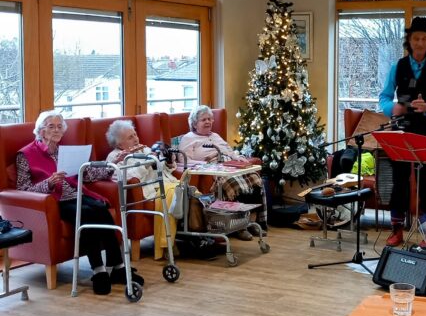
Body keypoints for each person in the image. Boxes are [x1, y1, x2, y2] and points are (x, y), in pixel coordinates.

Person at [16, 110, 143, 295]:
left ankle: (118, 267)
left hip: (77, 194)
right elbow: (22, 189)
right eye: (51, 126)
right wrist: (49, 183)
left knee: (101, 208)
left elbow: (86, 174)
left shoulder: (64, 151)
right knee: (87, 214)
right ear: (41, 131)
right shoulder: (25, 155)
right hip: (53, 201)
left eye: (60, 126)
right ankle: (99, 270)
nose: (56, 130)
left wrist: (112, 163)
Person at [378, 16, 426, 249]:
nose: (420, 43)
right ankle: (397, 229)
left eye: (424, 39)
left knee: (425, 181)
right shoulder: (396, 66)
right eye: (416, 38)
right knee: (399, 181)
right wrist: (393, 108)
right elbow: (384, 97)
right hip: (400, 128)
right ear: (408, 41)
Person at [179, 105, 266, 239]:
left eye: (209, 119)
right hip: (210, 167)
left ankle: (251, 221)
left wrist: (238, 159)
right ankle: (239, 226)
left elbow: (229, 151)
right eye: (203, 120)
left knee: (254, 178)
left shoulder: (215, 135)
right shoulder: (189, 138)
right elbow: (184, 160)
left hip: (225, 162)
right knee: (233, 182)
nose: (208, 122)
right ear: (195, 124)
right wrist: (203, 164)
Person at [105, 120, 179, 260]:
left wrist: (167, 161)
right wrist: (147, 163)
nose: (136, 139)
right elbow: (132, 178)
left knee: (186, 191)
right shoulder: (115, 157)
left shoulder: (144, 149)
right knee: (175, 194)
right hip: (148, 191)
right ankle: (166, 244)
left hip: (164, 183)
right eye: (130, 137)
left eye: (135, 134)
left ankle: (192, 236)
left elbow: (162, 169)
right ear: (120, 144)